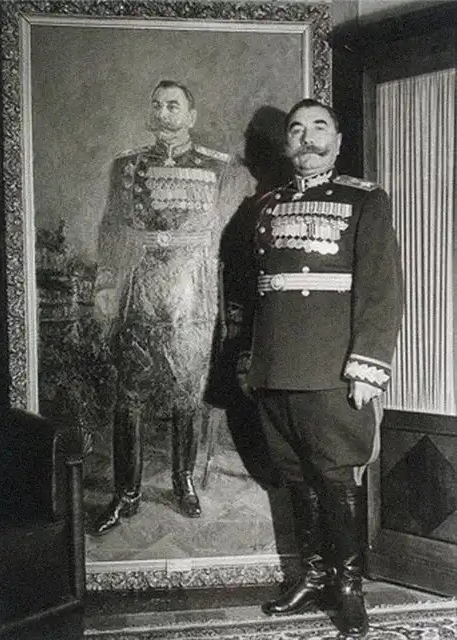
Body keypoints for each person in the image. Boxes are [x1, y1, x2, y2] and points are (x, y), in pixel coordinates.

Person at [219, 98, 403, 637]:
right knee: (296, 478)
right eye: (296, 129)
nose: (307, 137)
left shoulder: (364, 199)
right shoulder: (266, 207)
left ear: (338, 142)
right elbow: (251, 294)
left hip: (331, 370)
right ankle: (313, 576)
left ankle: (348, 588)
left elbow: (381, 288)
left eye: (319, 127)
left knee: (336, 479)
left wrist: (368, 365)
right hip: (275, 368)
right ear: (286, 145)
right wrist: (249, 357)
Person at [93, 79, 251, 535]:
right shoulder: (126, 166)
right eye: (157, 105)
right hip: (141, 288)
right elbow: (110, 229)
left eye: (172, 106)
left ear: (190, 116)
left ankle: (183, 481)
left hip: (192, 292)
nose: (163, 113)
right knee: (130, 394)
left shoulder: (219, 167)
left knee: (187, 390)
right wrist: (106, 286)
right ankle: (127, 492)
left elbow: (229, 240)